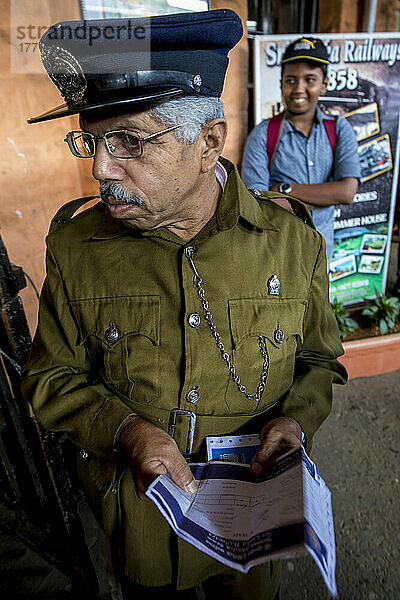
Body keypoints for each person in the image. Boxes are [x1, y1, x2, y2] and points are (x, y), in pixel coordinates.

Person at [22, 11, 347, 600]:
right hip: (141, 526)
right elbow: (50, 377)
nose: (100, 169)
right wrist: (124, 431)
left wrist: (294, 421)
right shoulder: (77, 246)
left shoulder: (291, 242)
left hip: (256, 527)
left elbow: (320, 360)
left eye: (129, 142)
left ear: (210, 142)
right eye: (93, 141)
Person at [241, 37, 361, 265]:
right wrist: (324, 196)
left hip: (322, 256)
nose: (299, 89)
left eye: (310, 80)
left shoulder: (338, 129)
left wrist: (285, 190)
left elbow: (346, 192)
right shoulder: (263, 135)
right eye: (290, 80)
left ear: (324, 84)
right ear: (281, 84)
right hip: (279, 256)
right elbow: (256, 204)